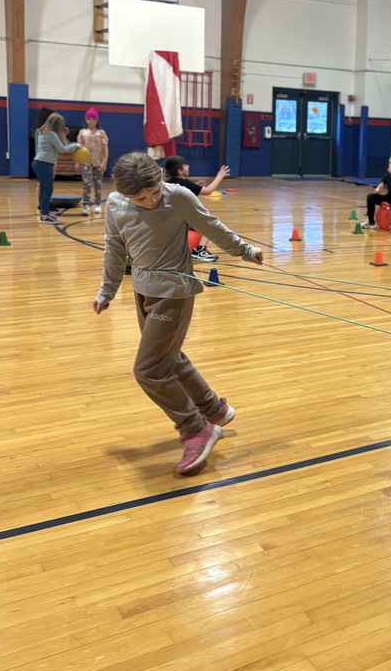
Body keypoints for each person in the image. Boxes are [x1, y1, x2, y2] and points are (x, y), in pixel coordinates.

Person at [92, 151, 263, 477]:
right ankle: (214, 409)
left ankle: (195, 428)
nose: (150, 200)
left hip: (175, 292)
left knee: (149, 370)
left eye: (155, 192)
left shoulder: (179, 197)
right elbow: (114, 247)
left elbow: (211, 226)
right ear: (125, 194)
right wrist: (106, 291)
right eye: (140, 197)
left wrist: (245, 250)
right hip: (143, 290)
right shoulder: (115, 205)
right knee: (168, 357)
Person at [164, 154, 231, 262]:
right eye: (186, 165)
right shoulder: (186, 184)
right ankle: (200, 251)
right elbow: (208, 191)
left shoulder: (167, 182)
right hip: (182, 222)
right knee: (209, 223)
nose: (188, 166)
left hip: (169, 221)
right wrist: (219, 177)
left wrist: (195, 186)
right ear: (180, 171)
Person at [31, 112, 79, 223]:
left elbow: (58, 145)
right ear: (57, 125)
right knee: (47, 190)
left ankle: (45, 213)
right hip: (43, 163)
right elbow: (62, 149)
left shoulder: (44, 133)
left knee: (44, 190)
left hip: (40, 163)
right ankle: (44, 216)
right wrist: (75, 145)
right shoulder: (51, 134)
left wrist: (64, 135)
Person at [362, 154, 391, 234]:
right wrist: (378, 189)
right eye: (390, 163)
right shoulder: (387, 175)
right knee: (371, 197)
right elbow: (377, 189)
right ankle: (371, 222)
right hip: (390, 197)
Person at [78, 107, 109, 216]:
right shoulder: (83, 132)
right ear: (86, 120)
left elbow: (105, 149)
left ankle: (97, 203)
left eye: (93, 119)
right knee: (86, 183)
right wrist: (77, 162)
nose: (91, 121)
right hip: (86, 162)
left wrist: (104, 162)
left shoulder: (101, 133)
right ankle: (86, 204)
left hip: (98, 162)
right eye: (89, 119)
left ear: (97, 120)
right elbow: (79, 148)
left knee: (98, 184)